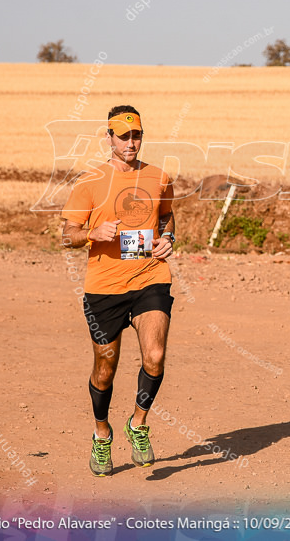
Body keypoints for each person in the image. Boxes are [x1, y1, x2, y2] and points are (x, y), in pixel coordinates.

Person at [61, 105, 176, 476]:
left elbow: (166, 215)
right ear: (108, 137)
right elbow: (67, 236)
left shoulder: (159, 177)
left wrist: (169, 238)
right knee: (105, 368)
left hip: (150, 277)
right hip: (104, 287)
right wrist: (90, 234)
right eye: (123, 136)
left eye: (136, 135)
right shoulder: (90, 180)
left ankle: (139, 423)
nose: (131, 142)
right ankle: (102, 431)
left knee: (154, 356)